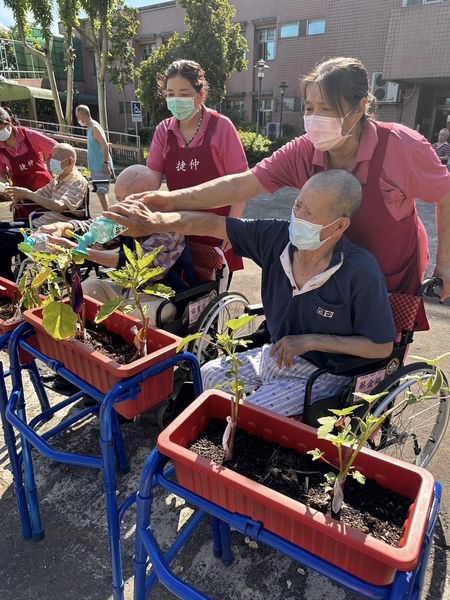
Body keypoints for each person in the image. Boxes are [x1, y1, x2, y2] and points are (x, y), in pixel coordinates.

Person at [108, 56, 450, 316]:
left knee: (375, 361)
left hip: (386, 271)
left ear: (361, 107)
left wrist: (444, 264)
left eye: (327, 108)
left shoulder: (401, 147)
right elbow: (240, 184)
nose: (315, 117)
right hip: (323, 266)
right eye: (309, 107)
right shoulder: (305, 150)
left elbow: (446, 195)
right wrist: (162, 201)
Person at [105, 169, 395, 416]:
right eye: (297, 205)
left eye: (309, 212)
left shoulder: (360, 271)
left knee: (248, 414)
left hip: (325, 374)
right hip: (275, 354)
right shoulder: (277, 238)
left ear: (339, 225)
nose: (297, 216)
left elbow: (381, 347)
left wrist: (311, 341)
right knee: (206, 376)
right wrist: (155, 221)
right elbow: (212, 224)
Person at [40, 164, 197, 325]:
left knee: (132, 316)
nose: (117, 205)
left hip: (165, 295)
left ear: (144, 199)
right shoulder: (127, 216)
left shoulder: (169, 228)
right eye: (117, 198)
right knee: (87, 289)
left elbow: (138, 264)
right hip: (130, 289)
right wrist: (66, 227)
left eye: (123, 199)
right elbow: (98, 228)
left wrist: (81, 251)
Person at [143, 59, 249, 276]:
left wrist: (232, 229)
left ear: (201, 95)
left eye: (183, 93)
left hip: (217, 230)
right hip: (178, 230)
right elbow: (150, 180)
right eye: (170, 94)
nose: (176, 100)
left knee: (212, 295)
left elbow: (241, 184)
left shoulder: (221, 127)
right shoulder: (164, 130)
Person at [0, 143, 87, 281]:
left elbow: (59, 206)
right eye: (52, 157)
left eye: (56, 158)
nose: (51, 161)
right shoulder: (58, 180)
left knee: (3, 240)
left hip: (55, 228)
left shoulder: (78, 182)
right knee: (2, 228)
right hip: (40, 222)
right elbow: (39, 194)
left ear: (70, 161)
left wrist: (29, 194)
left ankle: (9, 289)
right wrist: (21, 196)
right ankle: (6, 282)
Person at [0, 106, 57, 217]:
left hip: (45, 192)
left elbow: (56, 148)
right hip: (21, 198)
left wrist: (50, 166)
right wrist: (5, 185)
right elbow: (0, 173)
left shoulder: (29, 136)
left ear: (8, 121)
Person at [75, 105, 113, 211]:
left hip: (100, 166)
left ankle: (108, 215)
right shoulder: (90, 128)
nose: (78, 120)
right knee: (100, 192)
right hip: (96, 166)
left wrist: (106, 164)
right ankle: (107, 214)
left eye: (78, 117)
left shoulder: (94, 128)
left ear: (83, 116)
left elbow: (105, 145)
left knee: (101, 192)